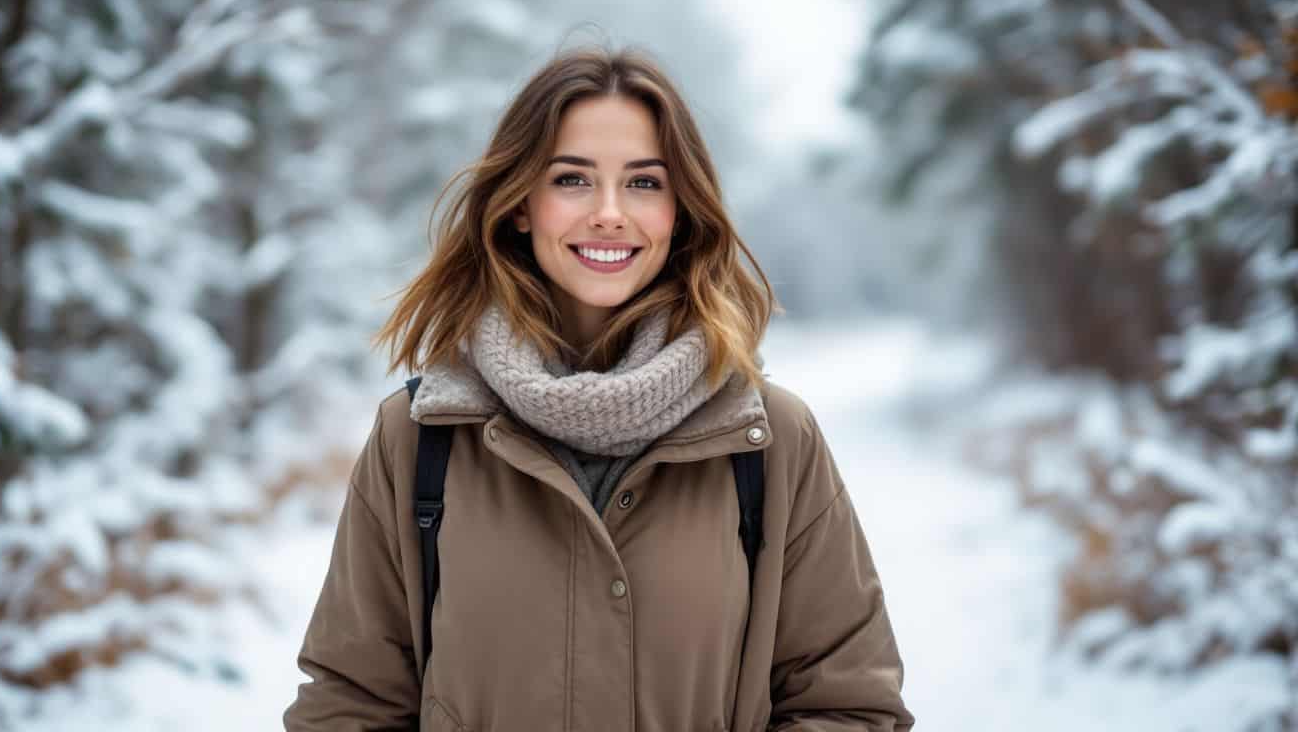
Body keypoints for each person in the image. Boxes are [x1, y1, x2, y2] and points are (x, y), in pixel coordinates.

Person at [283, 45, 914, 732]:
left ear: (682, 211)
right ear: (522, 204)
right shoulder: (420, 439)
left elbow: (850, 707)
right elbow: (350, 708)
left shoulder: (770, 440)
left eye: (644, 183)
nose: (610, 213)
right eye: (573, 180)